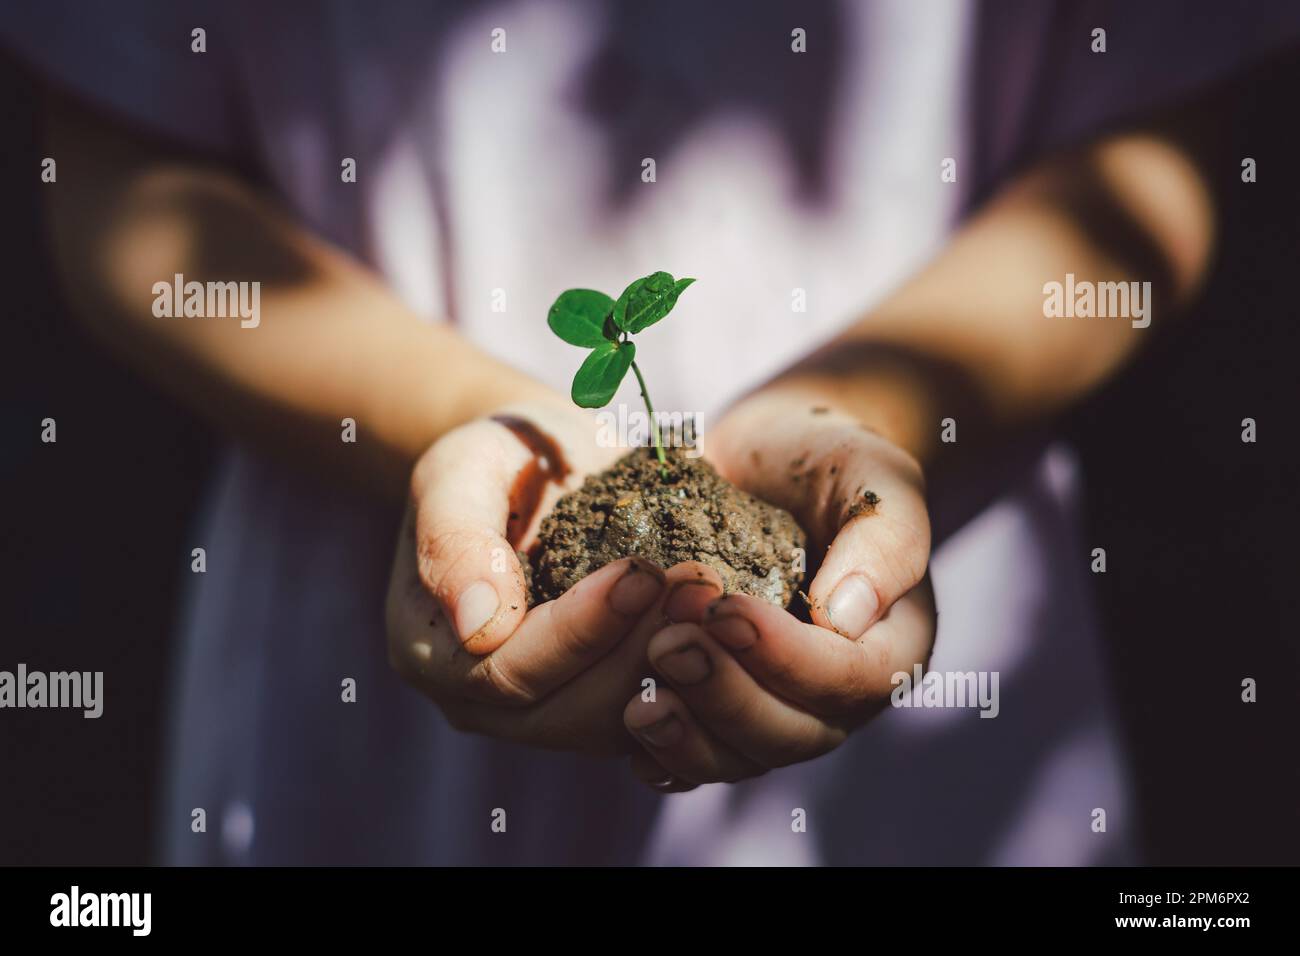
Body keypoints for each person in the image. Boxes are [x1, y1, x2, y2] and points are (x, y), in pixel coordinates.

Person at [6, 0, 1296, 864]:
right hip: (376, 637)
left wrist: (877, 406)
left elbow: (1143, 169)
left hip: (931, 642)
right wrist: (461, 421)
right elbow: (121, 189)